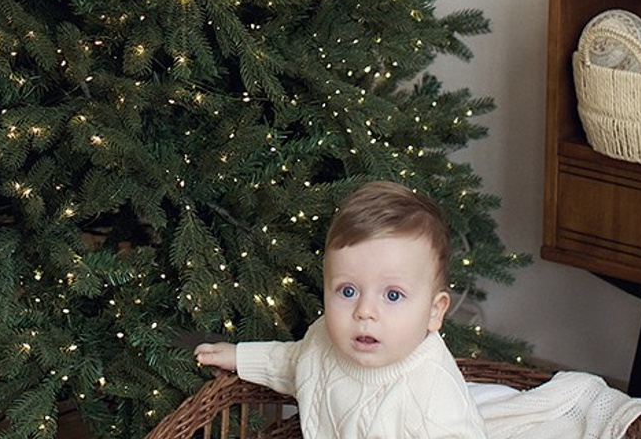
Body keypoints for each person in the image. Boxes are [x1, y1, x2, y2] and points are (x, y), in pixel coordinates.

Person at [194, 180, 486, 439]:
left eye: (393, 295)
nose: (364, 311)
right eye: (348, 291)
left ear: (434, 312)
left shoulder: (433, 401)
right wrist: (240, 357)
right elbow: (296, 363)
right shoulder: (324, 339)